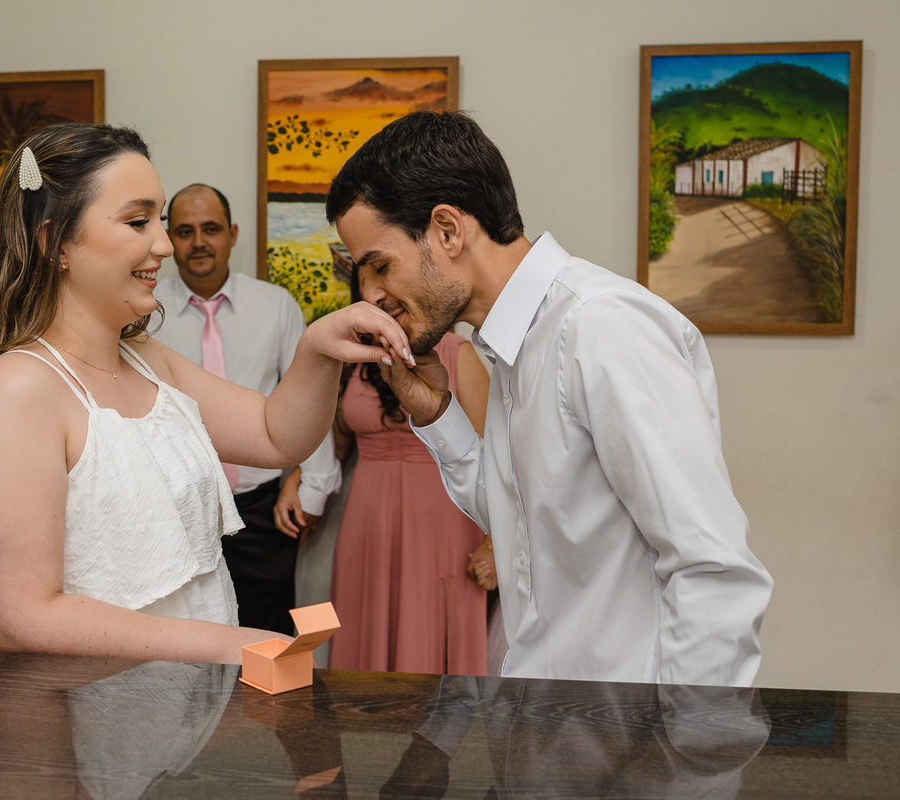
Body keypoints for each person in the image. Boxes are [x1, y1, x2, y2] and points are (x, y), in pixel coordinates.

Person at [0, 123, 410, 662]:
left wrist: (318, 349)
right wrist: (233, 645)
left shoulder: (147, 359)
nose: (162, 244)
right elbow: (22, 616)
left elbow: (277, 436)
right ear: (53, 243)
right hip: (78, 723)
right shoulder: (17, 389)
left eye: (158, 220)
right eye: (138, 221)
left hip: (173, 710)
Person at [325, 110, 774, 687]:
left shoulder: (599, 327)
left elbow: (713, 570)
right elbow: (526, 521)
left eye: (378, 266)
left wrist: (684, 759)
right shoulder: (514, 341)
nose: (369, 296)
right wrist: (437, 413)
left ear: (448, 230)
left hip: (629, 742)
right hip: (552, 724)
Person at [283, 268, 494, 676]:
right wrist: (297, 476)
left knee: (429, 635)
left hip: (441, 525)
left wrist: (494, 547)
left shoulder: (457, 353)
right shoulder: (353, 359)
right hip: (367, 523)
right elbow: (336, 442)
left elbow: (495, 459)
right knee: (365, 630)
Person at [155, 183, 341, 635]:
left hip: (262, 512)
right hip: (174, 509)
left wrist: (312, 486)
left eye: (211, 229)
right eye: (184, 231)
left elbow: (305, 396)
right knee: (184, 637)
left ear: (233, 234)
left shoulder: (274, 305)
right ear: (168, 240)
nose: (199, 242)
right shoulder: (146, 312)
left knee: (268, 639)